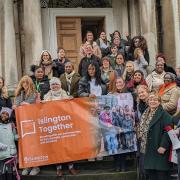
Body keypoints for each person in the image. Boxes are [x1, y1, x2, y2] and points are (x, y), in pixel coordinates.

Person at [43, 77, 78, 176]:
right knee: (56, 147)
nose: (54, 86)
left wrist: (71, 100)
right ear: (50, 86)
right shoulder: (47, 97)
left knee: (68, 146)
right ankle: (58, 168)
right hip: (53, 126)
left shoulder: (65, 95)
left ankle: (71, 167)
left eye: (56, 84)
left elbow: (70, 109)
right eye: (53, 84)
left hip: (64, 125)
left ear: (60, 85)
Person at [138, 92, 173, 180]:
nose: (152, 101)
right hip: (148, 150)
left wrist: (163, 146)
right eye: (150, 99)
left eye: (155, 100)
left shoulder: (165, 115)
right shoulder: (145, 114)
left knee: (161, 176)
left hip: (159, 150)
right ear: (148, 101)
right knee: (151, 175)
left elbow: (168, 131)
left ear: (159, 102)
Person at [13, 75, 40, 176]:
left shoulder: (35, 94)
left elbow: (39, 108)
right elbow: (15, 107)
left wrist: (29, 106)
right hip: (22, 124)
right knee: (25, 145)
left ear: (30, 83)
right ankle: (28, 166)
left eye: (27, 82)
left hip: (33, 122)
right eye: (23, 83)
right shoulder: (18, 95)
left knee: (34, 145)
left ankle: (36, 166)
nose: (25, 84)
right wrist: (15, 106)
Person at [110, 77, 129, 172]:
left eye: (120, 82)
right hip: (114, 123)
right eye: (117, 82)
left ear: (124, 83)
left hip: (124, 123)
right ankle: (117, 164)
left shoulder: (128, 94)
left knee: (123, 143)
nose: (118, 84)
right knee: (116, 144)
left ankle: (123, 164)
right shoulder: (111, 95)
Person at [0, 107, 18, 180]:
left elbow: (14, 136)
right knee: (2, 171)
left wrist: (17, 136)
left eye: (7, 114)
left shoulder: (11, 125)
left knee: (11, 172)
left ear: (9, 116)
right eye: (3, 113)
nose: (4, 115)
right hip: (1, 153)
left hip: (11, 153)